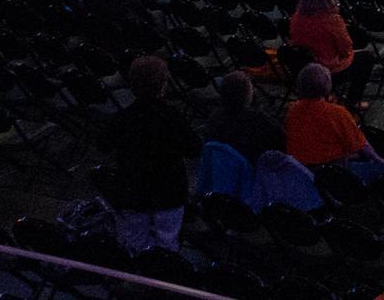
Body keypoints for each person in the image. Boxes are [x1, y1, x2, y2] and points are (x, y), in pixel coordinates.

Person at [100, 55, 196, 253]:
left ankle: (137, 277)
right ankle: (163, 278)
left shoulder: (124, 118)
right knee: (167, 243)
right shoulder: (172, 117)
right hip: (168, 192)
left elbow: (103, 144)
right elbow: (194, 148)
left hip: (132, 191)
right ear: (163, 84)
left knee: (134, 242)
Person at [285, 64, 384, 183]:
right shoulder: (337, 112)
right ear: (327, 86)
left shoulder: (293, 109)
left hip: (301, 170)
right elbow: (360, 145)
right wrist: (379, 160)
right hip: (331, 173)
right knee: (381, 167)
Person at [288, 0, 374, 108]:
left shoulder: (296, 18)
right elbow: (345, 50)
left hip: (304, 68)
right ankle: (353, 101)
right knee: (367, 58)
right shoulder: (332, 20)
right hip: (329, 70)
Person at [207, 70, 285, 167]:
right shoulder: (260, 120)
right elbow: (282, 142)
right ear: (248, 94)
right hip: (257, 168)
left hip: (226, 169)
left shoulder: (214, 119)